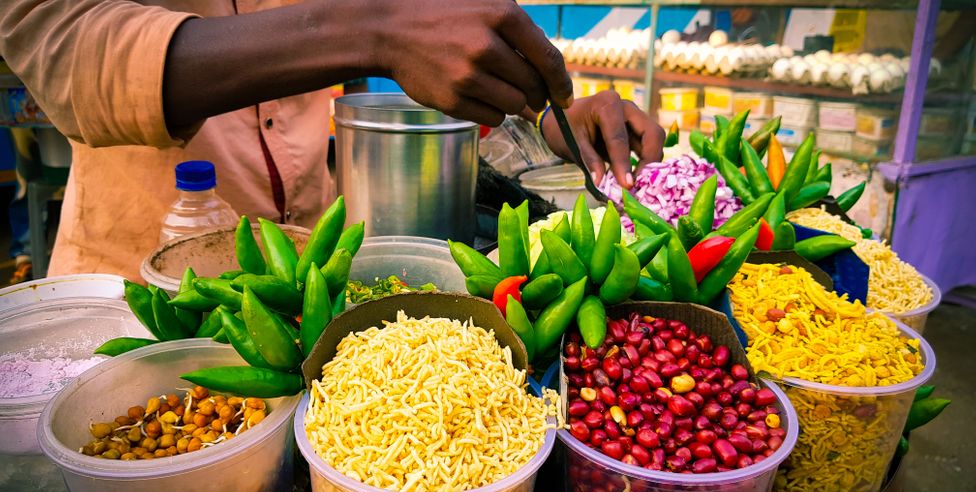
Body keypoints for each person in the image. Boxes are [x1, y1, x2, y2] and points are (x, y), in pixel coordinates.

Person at [0, 1, 664, 282]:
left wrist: (542, 124)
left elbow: (424, 87)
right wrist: (375, 27)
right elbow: (69, 55)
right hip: (145, 298)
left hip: (314, 288)